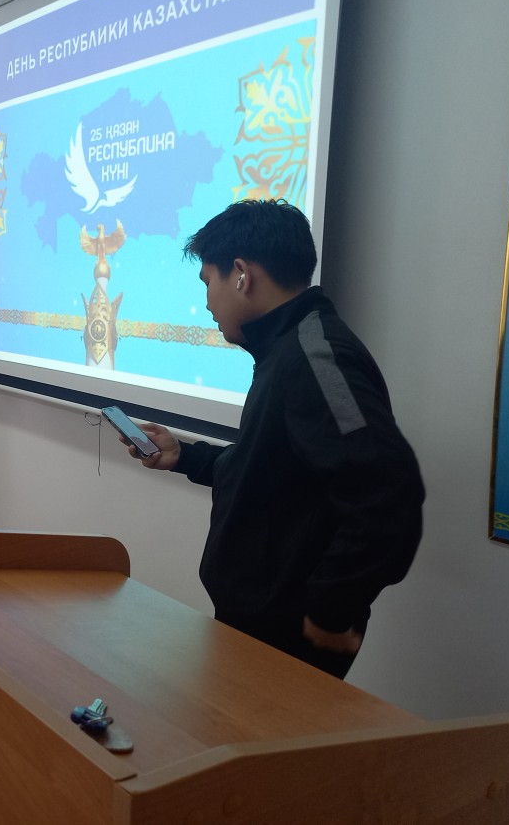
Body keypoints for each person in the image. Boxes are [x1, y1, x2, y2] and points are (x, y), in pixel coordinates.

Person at [124, 199, 423, 679]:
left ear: (241, 275)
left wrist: (331, 609)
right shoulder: (285, 351)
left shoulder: (317, 359)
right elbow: (272, 470)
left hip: (287, 637)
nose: (207, 303)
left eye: (207, 282)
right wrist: (186, 457)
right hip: (255, 625)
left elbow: (388, 491)